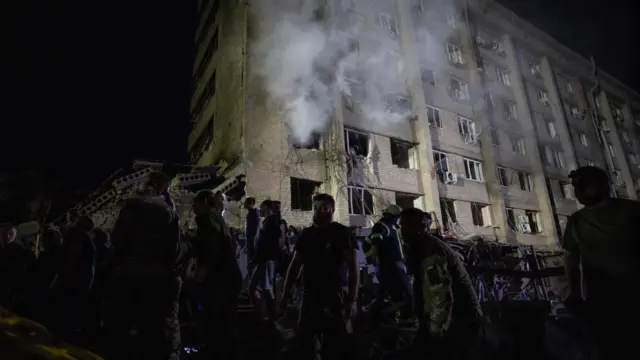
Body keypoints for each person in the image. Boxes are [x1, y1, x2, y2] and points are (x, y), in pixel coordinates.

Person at [105, 172, 188, 360]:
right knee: (157, 332)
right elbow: (174, 249)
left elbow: (117, 240)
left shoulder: (132, 208)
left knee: (124, 330)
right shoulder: (168, 212)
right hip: (158, 280)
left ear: (152, 185)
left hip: (128, 277)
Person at [563, 166, 640, 359]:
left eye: (583, 185)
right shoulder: (576, 220)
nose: (578, 191)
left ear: (603, 185)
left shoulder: (632, 211)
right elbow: (572, 259)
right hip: (602, 304)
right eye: (576, 186)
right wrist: (574, 293)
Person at [279, 193, 359, 360]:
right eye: (315, 208)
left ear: (332, 211)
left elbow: (353, 267)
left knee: (336, 340)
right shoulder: (306, 235)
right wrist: (286, 293)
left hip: (335, 294)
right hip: (310, 294)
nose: (317, 212)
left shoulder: (342, 233)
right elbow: (295, 266)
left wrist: (351, 299)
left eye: (323, 208)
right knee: (306, 339)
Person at [399, 208, 482, 360]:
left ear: (419, 227)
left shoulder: (431, 251)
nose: (402, 230)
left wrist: (435, 331)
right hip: (451, 320)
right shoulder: (420, 248)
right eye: (401, 225)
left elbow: (440, 293)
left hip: (459, 320)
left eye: (406, 225)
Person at [192, 190, 242, 360]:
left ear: (205, 202)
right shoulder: (218, 220)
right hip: (228, 278)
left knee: (216, 325)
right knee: (226, 325)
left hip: (218, 281)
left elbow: (209, 255)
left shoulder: (207, 220)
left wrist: (197, 282)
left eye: (195, 202)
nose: (192, 207)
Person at [363, 204, 414, 326]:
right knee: (408, 295)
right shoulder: (383, 225)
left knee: (383, 296)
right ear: (394, 216)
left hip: (392, 266)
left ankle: (373, 318)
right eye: (399, 217)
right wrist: (375, 248)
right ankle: (402, 320)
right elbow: (376, 235)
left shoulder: (392, 228)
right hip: (391, 266)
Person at [248, 199, 281, 322]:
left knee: (264, 289)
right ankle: (265, 316)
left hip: (265, 261)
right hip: (263, 261)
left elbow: (267, 245)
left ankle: (269, 316)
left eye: (261, 207)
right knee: (259, 289)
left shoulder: (271, 224)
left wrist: (258, 259)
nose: (259, 210)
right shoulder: (268, 223)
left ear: (267, 208)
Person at [244, 197, 260, 276]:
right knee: (249, 262)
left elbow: (257, 227)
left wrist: (254, 240)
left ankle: (253, 283)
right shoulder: (249, 213)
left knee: (252, 262)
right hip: (249, 240)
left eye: (246, 203)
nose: (244, 204)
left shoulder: (254, 212)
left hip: (253, 241)